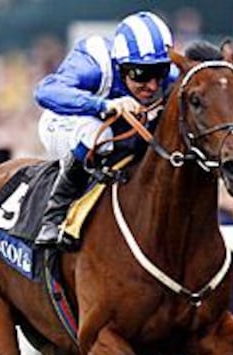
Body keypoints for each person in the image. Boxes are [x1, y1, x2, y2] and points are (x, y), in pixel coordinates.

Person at [33, 10, 177, 248]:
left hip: (118, 131)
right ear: (121, 66)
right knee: (99, 133)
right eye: (141, 74)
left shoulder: (169, 76)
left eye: (158, 73)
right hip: (66, 122)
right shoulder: (94, 62)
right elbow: (45, 91)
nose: (152, 85)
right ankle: (54, 215)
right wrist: (104, 105)